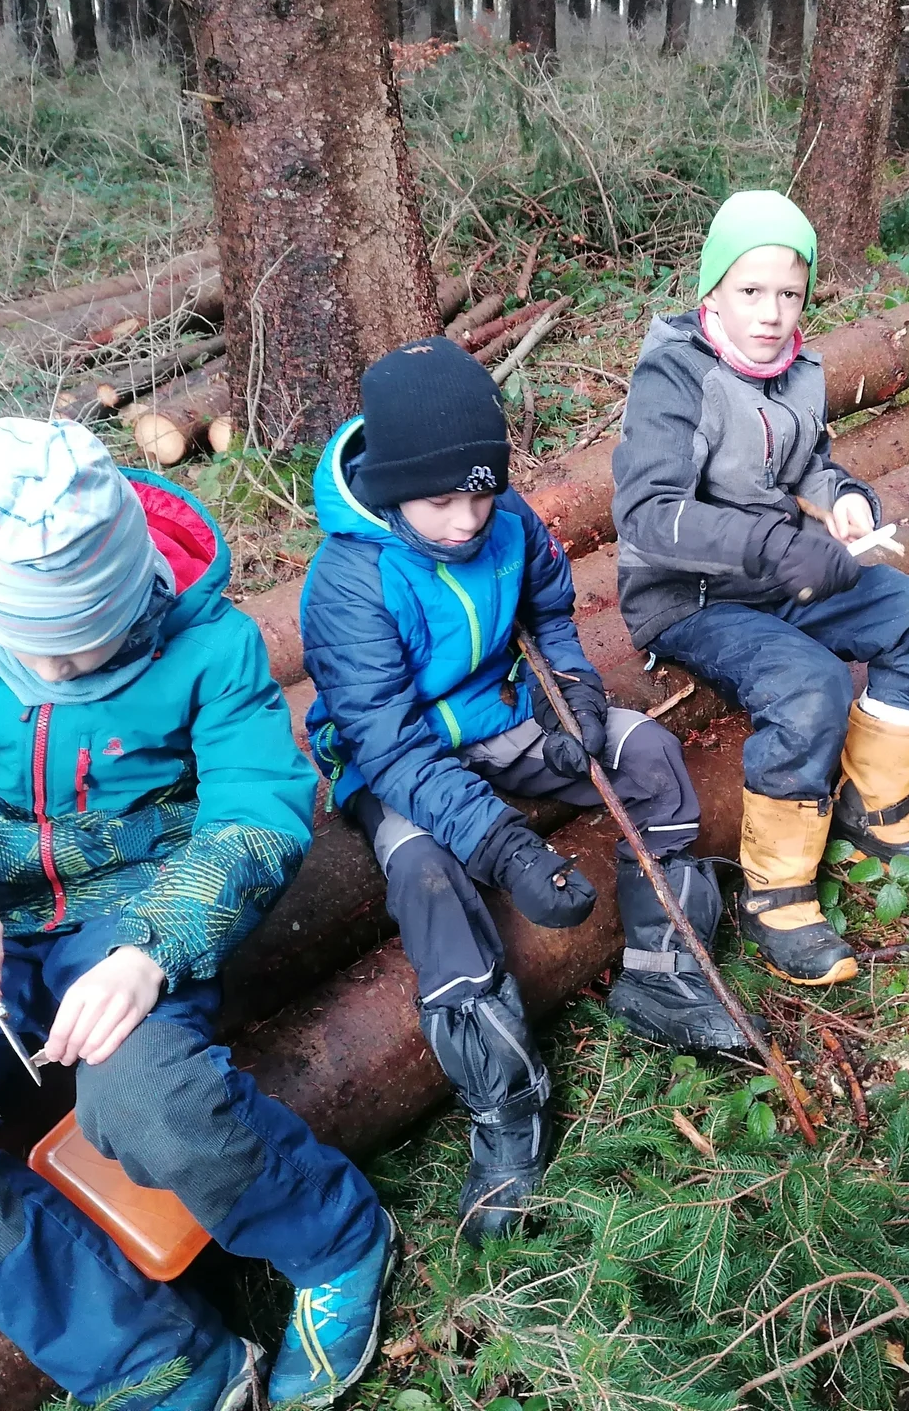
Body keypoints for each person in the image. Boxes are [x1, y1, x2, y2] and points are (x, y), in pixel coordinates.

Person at [0, 420, 392, 1411]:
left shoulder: (212, 645)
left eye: (81, 642)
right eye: (29, 644)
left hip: (138, 909)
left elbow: (257, 813)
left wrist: (156, 947)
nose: (55, 670)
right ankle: (160, 1364)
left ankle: (336, 1240)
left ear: (133, 583)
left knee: (149, 1103)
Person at [299, 337, 748, 1247]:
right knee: (430, 878)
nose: (466, 520)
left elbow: (549, 614)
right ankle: (505, 1109)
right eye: (440, 501)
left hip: (499, 716)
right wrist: (505, 846)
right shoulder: (348, 581)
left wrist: (575, 696)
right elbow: (388, 742)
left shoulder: (509, 524)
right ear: (389, 488)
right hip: (393, 760)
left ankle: (663, 976)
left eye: (481, 492)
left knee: (648, 753)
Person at [611, 189, 909, 992]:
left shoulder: (797, 367)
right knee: (811, 684)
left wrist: (842, 498)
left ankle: (873, 809)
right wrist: (776, 544)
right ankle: (776, 893)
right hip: (692, 596)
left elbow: (808, 460)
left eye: (789, 292)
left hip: (781, 572)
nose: (771, 313)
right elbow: (646, 517)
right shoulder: (676, 376)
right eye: (750, 291)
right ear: (711, 290)